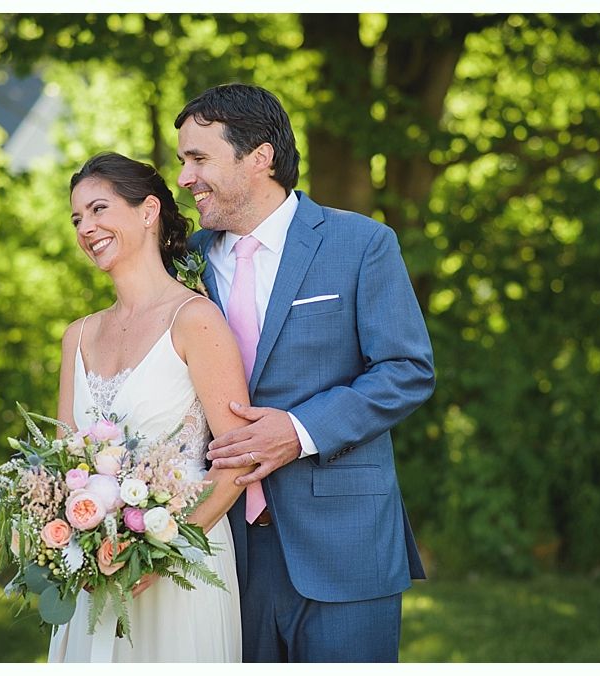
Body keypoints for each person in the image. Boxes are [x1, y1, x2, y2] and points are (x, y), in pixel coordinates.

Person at [175, 83, 436, 662]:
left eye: (199, 159)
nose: (185, 179)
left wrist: (297, 432)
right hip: (221, 544)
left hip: (343, 539)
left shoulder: (361, 243)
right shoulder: (183, 261)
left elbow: (407, 369)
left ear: (259, 156)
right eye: (182, 162)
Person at [47, 152, 253, 662]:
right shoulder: (78, 336)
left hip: (181, 572)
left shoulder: (195, 320)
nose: (86, 228)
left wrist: (154, 557)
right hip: (95, 575)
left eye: (98, 209)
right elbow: (60, 466)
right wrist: (73, 541)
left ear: (148, 211)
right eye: (77, 218)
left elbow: (238, 462)